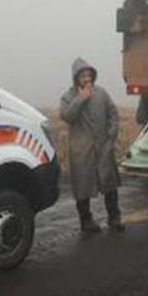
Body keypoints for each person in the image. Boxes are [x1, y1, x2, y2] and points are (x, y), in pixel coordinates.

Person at [60, 58, 125, 233]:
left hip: (103, 147)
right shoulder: (68, 97)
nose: (86, 79)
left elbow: (113, 115)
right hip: (81, 150)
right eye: (82, 76)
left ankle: (115, 217)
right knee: (83, 187)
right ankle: (86, 221)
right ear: (76, 78)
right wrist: (81, 99)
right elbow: (67, 116)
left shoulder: (101, 93)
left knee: (109, 184)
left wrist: (111, 138)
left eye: (89, 75)